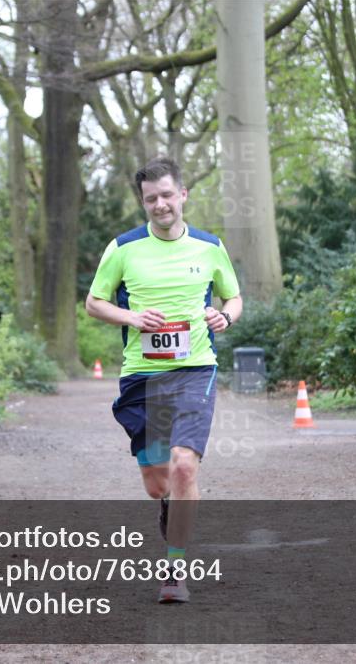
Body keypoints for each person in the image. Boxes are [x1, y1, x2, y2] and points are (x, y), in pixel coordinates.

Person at [85, 156, 242, 603]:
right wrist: (133, 317)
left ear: (183, 195)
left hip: (195, 368)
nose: (160, 205)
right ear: (143, 201)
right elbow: (94, 303)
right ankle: (173, 512)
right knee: (157, 482)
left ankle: (175, 568)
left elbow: (233, 297)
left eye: (167, 195)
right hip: (142, 376)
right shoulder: (122, 248)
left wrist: (223, 318)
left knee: (184, 465)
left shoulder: (210, 247)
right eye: (151, 198)